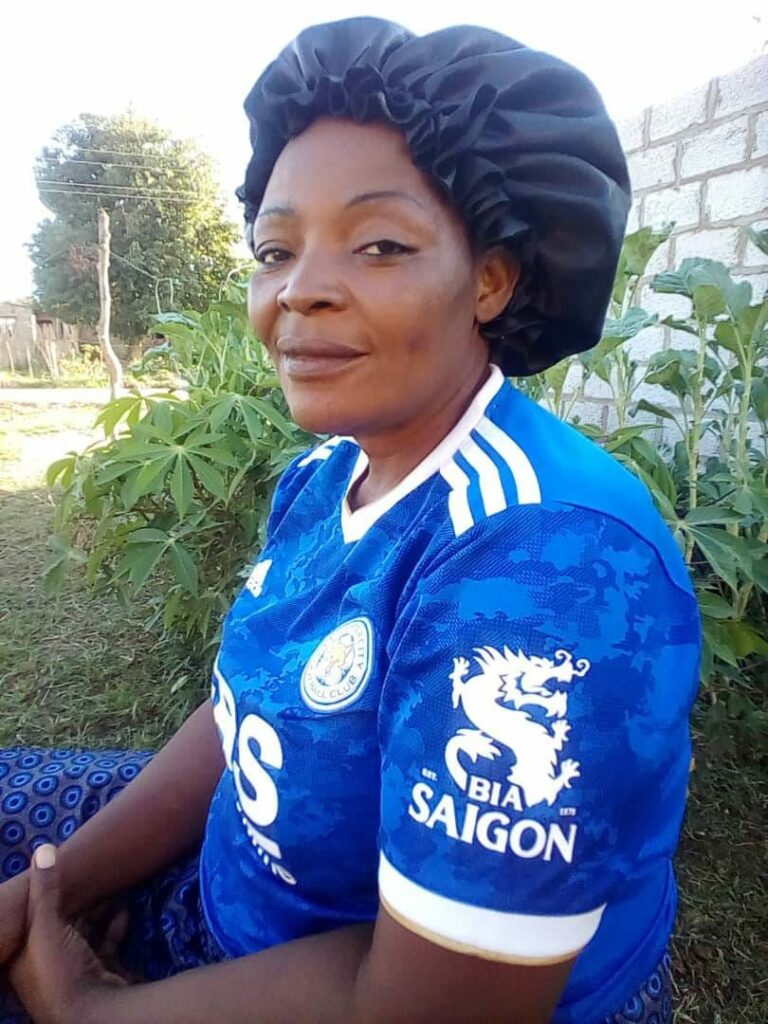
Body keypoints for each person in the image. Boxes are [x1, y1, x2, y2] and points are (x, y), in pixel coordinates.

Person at [0, 17, 700, 1024]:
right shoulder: (329, 472)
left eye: (379, 245)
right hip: (233, 884)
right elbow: (242, 719)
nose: (301, 291)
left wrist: (84, 1011)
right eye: (274, 249)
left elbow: (440, 1004)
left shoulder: (548, 566)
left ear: (490, 278)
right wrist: (51, 889)